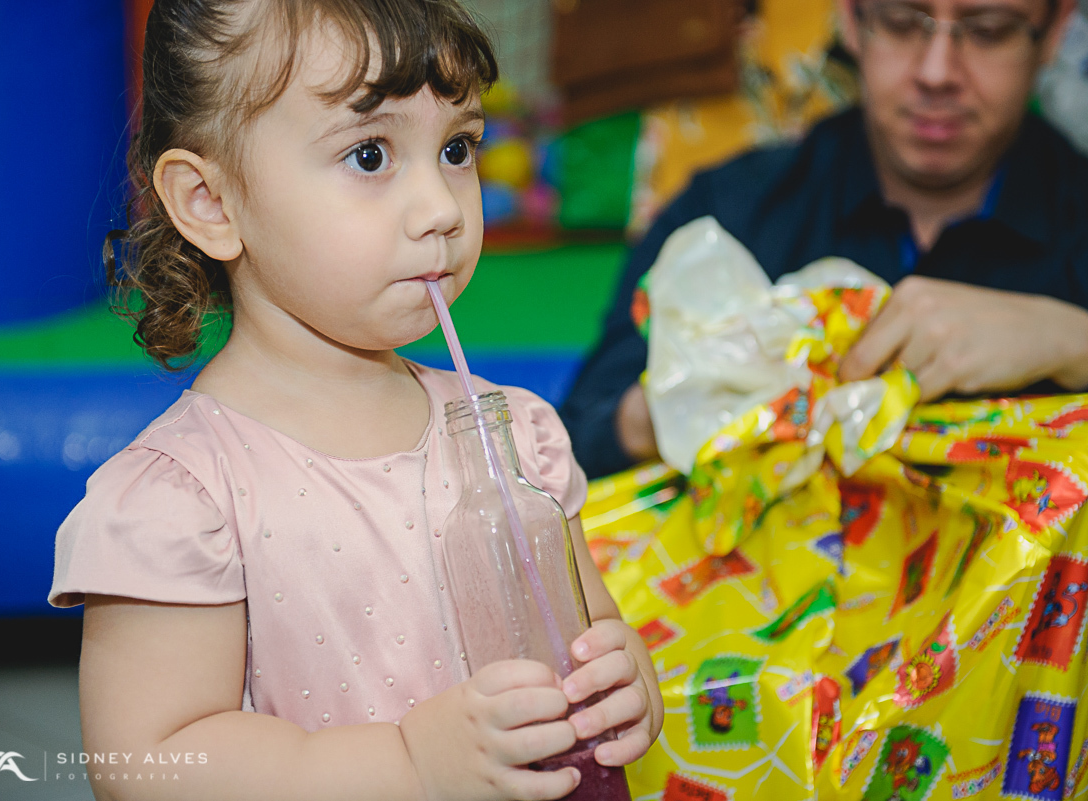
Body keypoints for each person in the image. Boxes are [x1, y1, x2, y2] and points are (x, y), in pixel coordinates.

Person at [48, 2, 661, 799]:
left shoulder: (519, 436)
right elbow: (149, 766)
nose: (443, 208)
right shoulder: (184, 499)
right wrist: (408, 763)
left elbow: (588, 631)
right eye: (370, 154)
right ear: (212, 201)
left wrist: (622, 674)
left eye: (456, 148)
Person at [561, 0, 1088, 480]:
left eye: (990, 30)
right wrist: (668, 409)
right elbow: (574, 443)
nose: (937, 72)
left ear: (1054, 34)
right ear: (851, 19)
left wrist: (1086, 345)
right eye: (901, 22)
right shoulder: (725, 214)